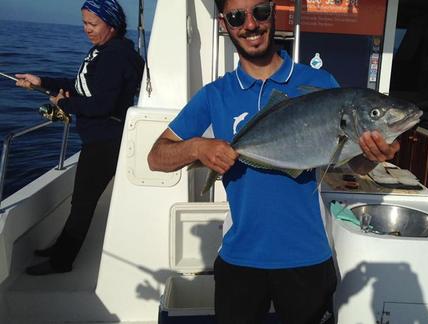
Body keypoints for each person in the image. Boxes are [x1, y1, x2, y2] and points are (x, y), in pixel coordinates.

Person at [147, 0, 399, 322]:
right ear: (225, 24)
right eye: (237, 17)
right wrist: (197, 147)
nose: (250, 24)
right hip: (241, 257)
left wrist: (371, 157)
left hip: (306, 256)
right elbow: (156, 156)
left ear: (273, 15)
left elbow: (350, 164)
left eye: (260, 12)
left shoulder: (320, 84)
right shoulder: (216, 94)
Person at [16, 0, 144, 276]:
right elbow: (79, 86)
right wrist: (42, 81)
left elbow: (101, 106)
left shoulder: (114, 57)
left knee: (83, 204)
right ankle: (60, 248)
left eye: (92, 24)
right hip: (97, 139)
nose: (87, 29)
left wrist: (65, 105)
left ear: (111, 25)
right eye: (85, 23)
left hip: (105, 141)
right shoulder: (103, 51)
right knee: (80, 200)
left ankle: (62, 261)